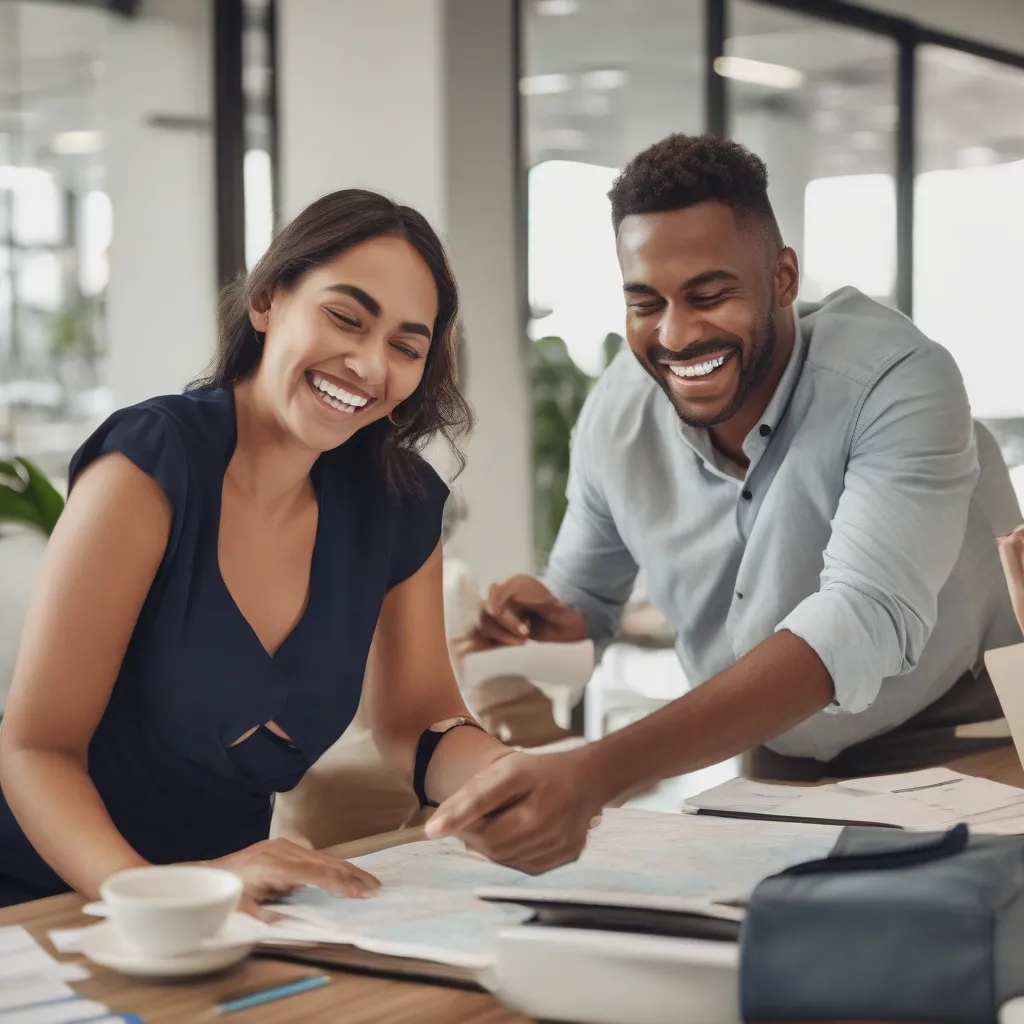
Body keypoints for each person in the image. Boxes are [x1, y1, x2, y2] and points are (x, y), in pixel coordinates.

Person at [425, 133, 1022, 865]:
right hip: (775, 758)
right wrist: (554, 622)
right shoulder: (618, 413)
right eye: (646, 303)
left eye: (710, 295)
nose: (676, 334)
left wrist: (597, 771)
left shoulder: (898, 380)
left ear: (782, 277)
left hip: (962, 737)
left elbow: (861, 619)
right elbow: (589, 600)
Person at [0, 189, 532, 909]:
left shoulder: (397, 502)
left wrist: (513, 778)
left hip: (242, 906)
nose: (370, 366)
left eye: (406, 346)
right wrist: (161, 896)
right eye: (346, 317)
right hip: (45, 903)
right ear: (267, 301)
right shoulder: (152, 465)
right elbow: (37, 750)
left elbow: (418, 722)